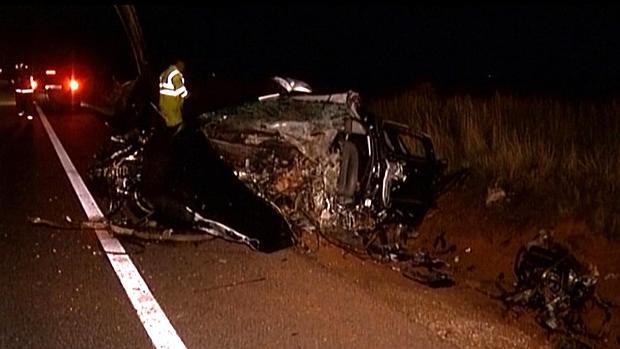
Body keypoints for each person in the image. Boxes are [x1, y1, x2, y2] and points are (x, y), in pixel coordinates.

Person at [158, 60, 189, 128]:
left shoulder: (164, 73)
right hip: (172, 105)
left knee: (168, 125)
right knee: (176, 125)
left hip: (164, 104)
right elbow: (181, 90)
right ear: (180, 65)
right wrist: (187, 96)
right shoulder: (175, 74)